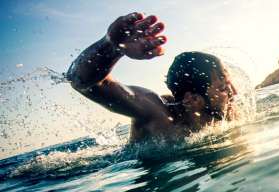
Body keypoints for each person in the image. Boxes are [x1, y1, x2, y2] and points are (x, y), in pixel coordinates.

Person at [67, 12, 238, 142]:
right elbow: (81, 82)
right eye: (223, 87)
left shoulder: (227, 115)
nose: (234, 92)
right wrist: (111, 47)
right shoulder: (157, 113)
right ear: (191, 99)